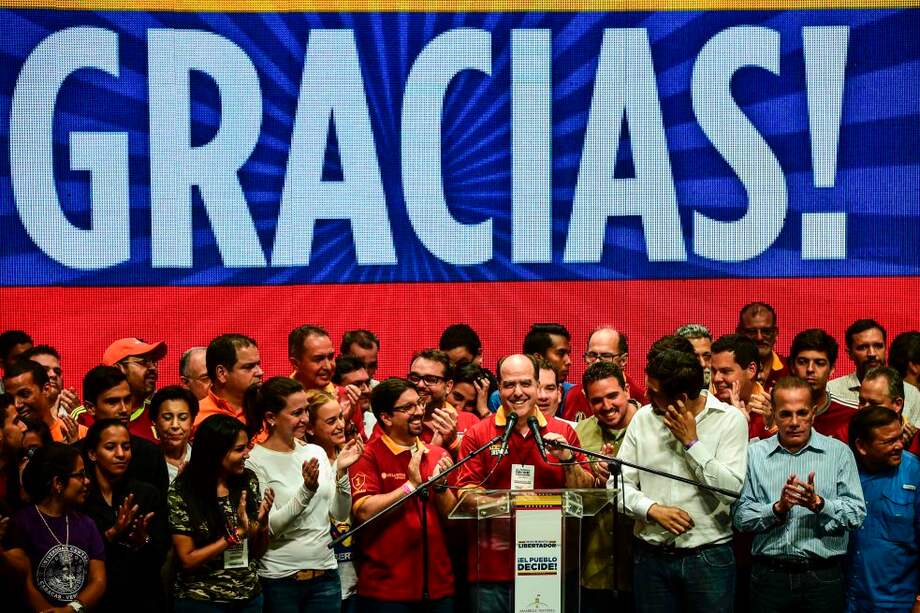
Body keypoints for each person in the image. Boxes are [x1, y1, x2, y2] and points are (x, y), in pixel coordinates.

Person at [617, 335, 747, 613]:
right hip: (651, 560)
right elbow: (617, 486)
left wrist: (692, 444)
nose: (646, 397)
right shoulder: (642, 419)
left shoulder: (729, 420)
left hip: (708, 560)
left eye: (654, 393)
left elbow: (731, 492)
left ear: (681, 398)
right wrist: (651, 509)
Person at [457, 354, 593, 612]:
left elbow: (585, 494)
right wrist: (513, 503)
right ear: (499, 388)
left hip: (546, 564)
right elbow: (465, 493)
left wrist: (568, 459)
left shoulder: (563, 432)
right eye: (509, 384)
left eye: (526, 383)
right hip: (491, 569)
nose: (518, 392)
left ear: (537, 386)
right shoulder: (478, 434)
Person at [733, 376, 866, 613]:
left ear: (813, 413)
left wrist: (820, 504)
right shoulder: (754, 454)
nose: (794, 422)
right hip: (769, 578)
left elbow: (857, 514)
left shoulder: (839, 453)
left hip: (822, 577)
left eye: (802, 413)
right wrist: (777, 509)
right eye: (785, 414)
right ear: (773, 414)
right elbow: (740, 517)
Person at [244, 378, 361, 613]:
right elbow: (270, 528)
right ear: (271, 418)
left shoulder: (315, 451)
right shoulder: (254, 460)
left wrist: (341, 472)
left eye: (306, 410)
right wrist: (306, 491)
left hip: (326, 576)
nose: (305, 419)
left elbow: (339, 514)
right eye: (296, 413)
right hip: (280, 580)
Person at [349, 378, 456, 612]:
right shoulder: (367, 455)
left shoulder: (437, 454)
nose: (418, 411)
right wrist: (410, 486)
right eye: (407, 407)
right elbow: (364, 511)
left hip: (439, 587)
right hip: (386, 590)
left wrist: (441, 488)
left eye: (419, 403)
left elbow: (452, 520)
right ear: (386, 417)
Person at [168, 414, 273, 612]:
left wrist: (263, 525)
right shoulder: (183, 491)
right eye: (239, 449)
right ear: (216, 452)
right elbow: (187, 560)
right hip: (202, 600)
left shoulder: (248, 480)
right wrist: (234, 536)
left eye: (247, 447)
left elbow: (257, 553)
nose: (247, 455)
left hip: (249, 597)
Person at [5, 442, 106, 612]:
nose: (87, 481)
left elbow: (98, 580)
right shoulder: (22, 523)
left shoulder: (87, 524)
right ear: (58, 482)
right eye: (80, 475)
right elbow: (25, 583)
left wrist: (71, 610)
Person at [81, 418, 168, 612]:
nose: (121, 454)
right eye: (110, 447)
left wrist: (143, 540)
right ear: (93, 454)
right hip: (98, 599)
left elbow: (162, 553)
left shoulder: (146, 494)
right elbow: (75, 556)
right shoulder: (81, 497)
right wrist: (112, 534)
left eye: (126, 447)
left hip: (143, 597)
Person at [575, 361, 638, 612]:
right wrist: (592, 475)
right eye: (597, 400)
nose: (607, 406)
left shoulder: (650, 425)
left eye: (613, 396)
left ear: (627, 390)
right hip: (594, 564)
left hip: (642, 565)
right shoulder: (580, 432)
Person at [846, 405, 920, 612]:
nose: (900, 445)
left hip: (898, 603)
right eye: (889, 441)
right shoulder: (843, 471)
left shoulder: (915, 473)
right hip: (846, 600)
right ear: (862, 446)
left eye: (899, 437)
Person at [301, 389, 366, 611]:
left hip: (356, 574)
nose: (340, 425)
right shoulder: (305, 465)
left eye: (340, 417)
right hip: (321, 574)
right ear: (309, 427)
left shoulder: (357, 456)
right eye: (331, 421)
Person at [82, 365, 169, 497]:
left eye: (127, 400)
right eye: (113, 402)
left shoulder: (151, 454)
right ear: (91, 408)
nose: (124, 409)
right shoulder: (75, 457)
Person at [829, 320, 920, 424]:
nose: (872, 353)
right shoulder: (831, 391)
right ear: (850, 354)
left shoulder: (911, 394)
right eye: (863, 347)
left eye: (878, 346)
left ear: (885, 349)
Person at [561, 326, 648, 422]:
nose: (597, 362)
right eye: (592, 355)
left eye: (606, 356)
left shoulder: (643, 399)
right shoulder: (573, 395)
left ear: (623, 360)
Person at [788, 329, 856, 443]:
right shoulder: (774, 412)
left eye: (819, 363)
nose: (810, 369)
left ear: (832, 369)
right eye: (803, 362)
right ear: (792, 367)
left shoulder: (851, 414)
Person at [98, 337, 169, 442]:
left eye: (153, 362)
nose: (153, 368)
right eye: (143, 362)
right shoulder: (84, 418)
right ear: (117, 369)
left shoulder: (160, 415)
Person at [195, 334, 264, 433]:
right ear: (221, 373)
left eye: (258, 365)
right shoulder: (195, 418)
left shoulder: (271, 411)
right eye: (249, 367)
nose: (260, 372)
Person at [3, 359, 85, 443]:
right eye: (10, 397)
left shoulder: (80, 434)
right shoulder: (7, 443)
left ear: (46, 389)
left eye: (25, 394)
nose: (16, 404)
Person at [709, 334, 773, 439]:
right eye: (714, 371)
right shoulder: (708, 408)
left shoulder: (774, 410)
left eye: (726, 371)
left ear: (751, 370)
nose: (716, 378)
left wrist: (771, 426)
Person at [736, 302, 789, 391]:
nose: (759, 338)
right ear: (739, 333)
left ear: (775, 333)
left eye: (766, 331)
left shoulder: (789, 370)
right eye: (752, 332)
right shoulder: (727, 369)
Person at [150, 386, 199, 483]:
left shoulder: (203, 458)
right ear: (155, 421)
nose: (175, 425)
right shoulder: (147, 463)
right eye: (167, 418)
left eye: (183, 418)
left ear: (192, 421)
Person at [23, 345, 79, 419]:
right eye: (44, 370)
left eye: (57, 371)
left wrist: (79, 416)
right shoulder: (16, 414)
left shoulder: (74, 414)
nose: (53, 375)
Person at [332, 355, 374, 441]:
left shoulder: (378, 422)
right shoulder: (328, 428)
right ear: (337, 389)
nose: (366, 390)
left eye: (367, 383)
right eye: (357, 385)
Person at [290, 326, 336, 393]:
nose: (328, 367)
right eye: (318, 359)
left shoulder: (344, 396)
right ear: (296, 364)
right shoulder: (277, 398)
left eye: (330, 357)